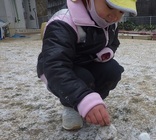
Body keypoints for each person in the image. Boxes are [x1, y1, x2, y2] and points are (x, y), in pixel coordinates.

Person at [37, 0, 137, 130]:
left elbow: (113, 42)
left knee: (112, 70)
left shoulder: (111, 22)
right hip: (55, 70)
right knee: (83, 78)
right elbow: (55, 66)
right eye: (109, 6)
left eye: (121, 11)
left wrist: (107, 51)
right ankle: (72, 106)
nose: (115, 16)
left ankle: (93, 103)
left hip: (88, 60)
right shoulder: (63, 22)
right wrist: (82, 98)